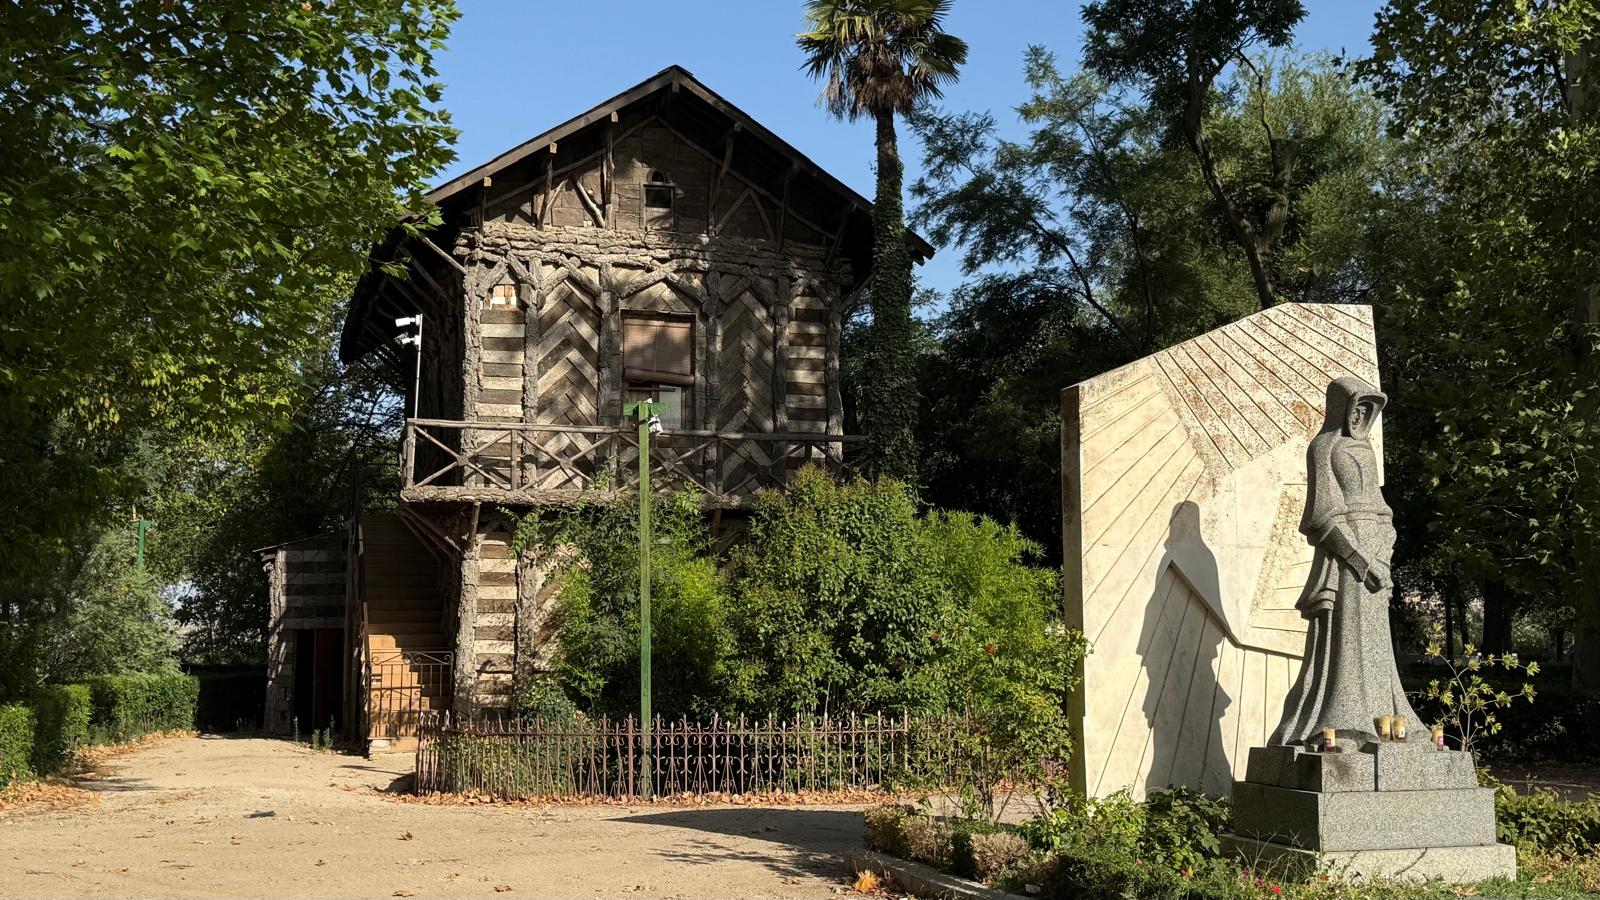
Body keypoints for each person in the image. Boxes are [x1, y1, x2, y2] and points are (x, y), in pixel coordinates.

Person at [1270, 376, 1424, 748]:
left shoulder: (1366, 450)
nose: (1362, 416)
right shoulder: (1324, 447)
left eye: (1369, 409)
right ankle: (1342, 720)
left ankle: (1385, 719)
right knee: (1346, 637)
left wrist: (1383, 550)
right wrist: (1358, 557)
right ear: (1342, 407)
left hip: (1377, 553)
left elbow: (1382, 508)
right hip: (1345, 558)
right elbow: (1320, 515)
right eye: (1357, 407)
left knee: (1376, 641)